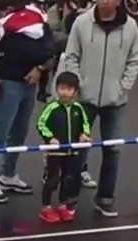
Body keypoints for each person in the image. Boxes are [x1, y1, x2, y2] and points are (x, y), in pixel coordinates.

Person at [57, 0, 138, 218]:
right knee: (77, 150)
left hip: (116, 102)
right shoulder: (82, 23)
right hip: (85, 100)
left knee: (113, 151)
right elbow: (71, 56)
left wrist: (123, 87)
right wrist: (80, 85)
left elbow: (135, 59)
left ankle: (105, 199)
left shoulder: (131, 27)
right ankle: (69, 199)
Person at [0, 0, 53, 204]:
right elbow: (0, 46)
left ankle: (7, 174)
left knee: (19, 131)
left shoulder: (38, 16)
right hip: (7, 82)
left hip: (29, 83)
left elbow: (49, 48)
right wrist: (33, 54)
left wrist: (39, 67)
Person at [36, 71, 90, 223]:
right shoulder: (52, 107)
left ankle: (62, 206)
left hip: (71, 152)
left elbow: (85, 124)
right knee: (52, 180)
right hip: (55, 153)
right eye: (61, 88)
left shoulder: (78, 108)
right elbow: (41, 123)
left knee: (68, 180)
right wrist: (50, 138)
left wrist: (84, 134)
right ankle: (45, 207)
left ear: (75, 91)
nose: (64, 92)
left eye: (68, 89)